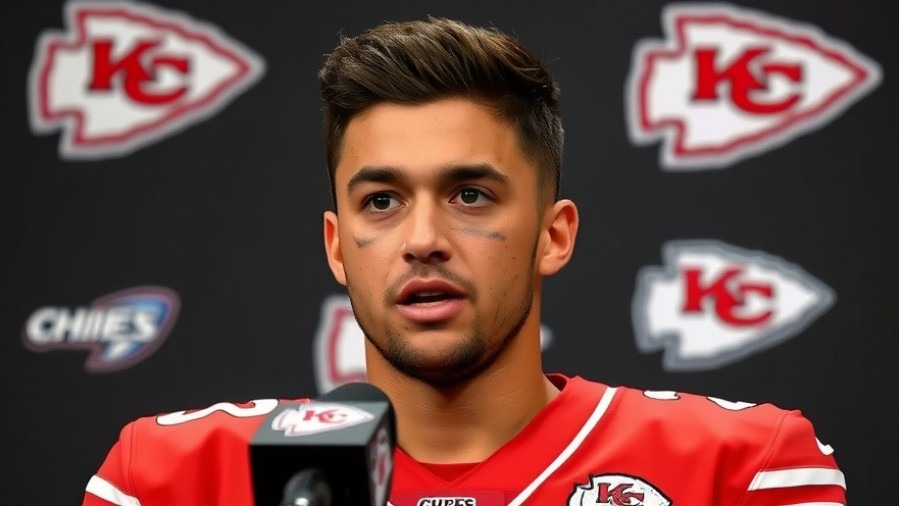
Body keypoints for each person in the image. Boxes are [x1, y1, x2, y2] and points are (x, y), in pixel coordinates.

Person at [82, 16, 847, 506]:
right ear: (335, 247)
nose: (422, 238)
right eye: (380, 201)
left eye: (470, 196)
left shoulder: (741, 470)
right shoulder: (167, 478)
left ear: (553, 235)